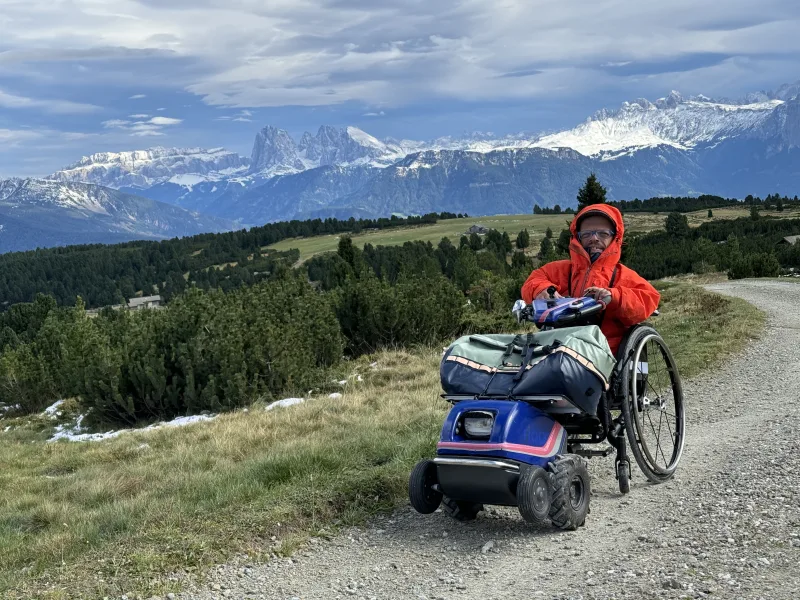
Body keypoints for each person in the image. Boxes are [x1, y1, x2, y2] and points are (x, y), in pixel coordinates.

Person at [521, 203, 660, 354]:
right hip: (558, 351)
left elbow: (649, 299)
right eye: (586, 234)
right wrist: (541, 290)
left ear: (615, 238)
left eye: (603, 234)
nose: (594, 239)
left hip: (606, 355)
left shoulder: (623, 275)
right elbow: (533, 280)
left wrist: (614, 296)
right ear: (577, 238)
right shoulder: (560, 270)